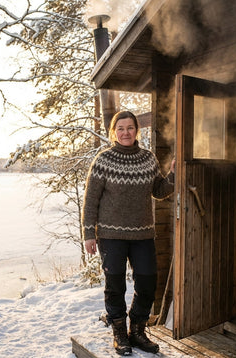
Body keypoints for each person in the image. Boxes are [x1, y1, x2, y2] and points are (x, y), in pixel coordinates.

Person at [82, 110, 175, 356]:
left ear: (137, 131)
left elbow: (159, 190)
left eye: (130, 128)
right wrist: (89, 233)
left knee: (147, 281)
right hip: (111, 235)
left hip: (143, 234)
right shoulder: (104, 160)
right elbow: (91, 200)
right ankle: (119, 333)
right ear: (114, 132)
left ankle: (137, 331)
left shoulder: (148, 158)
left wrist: (174, 175)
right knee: (115, 285)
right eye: (120, 128)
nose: (126, 132)